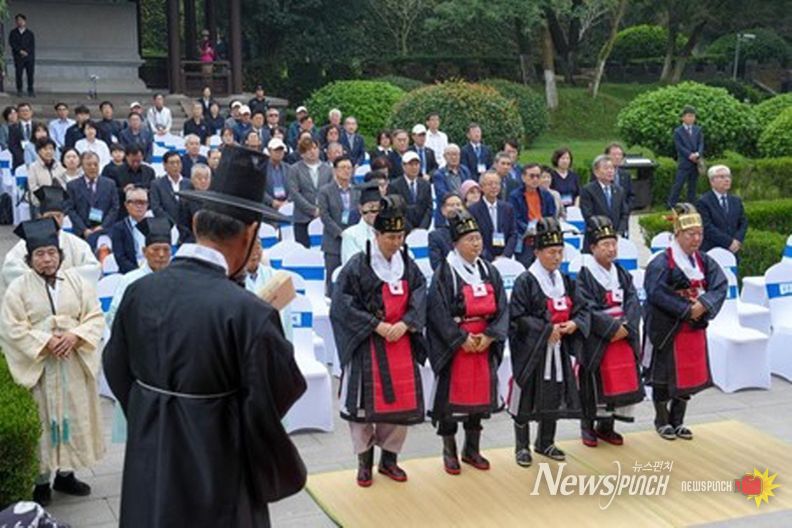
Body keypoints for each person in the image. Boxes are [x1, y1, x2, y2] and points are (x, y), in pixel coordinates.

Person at [104, 145, 307, 527]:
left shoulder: (140, 291)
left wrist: (157, 413)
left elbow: (116, 369)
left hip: (151, 461)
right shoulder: (249, 312)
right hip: (218, 467)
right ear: (250, 233)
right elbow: (277, 390)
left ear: (196, 224)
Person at [0, 218, 105, 506]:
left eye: (52, 253)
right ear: (29, 258)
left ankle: (66, 474)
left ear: (60, 254)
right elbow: (11, 328)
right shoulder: (18, 288)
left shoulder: (76, 282)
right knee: (44, 422)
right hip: (42, 368)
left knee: (72, 415)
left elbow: (94, 316)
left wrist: (76, 335)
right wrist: (44, 341)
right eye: (40, 254)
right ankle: (41, 481)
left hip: (71, 362)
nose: (47, 260)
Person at [331, 195, 427, 487]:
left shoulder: (408, 265)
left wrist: (407, 323)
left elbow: (421, 293)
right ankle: (364, 462)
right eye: (390, 236)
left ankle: (389, 460)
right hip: (368, 344)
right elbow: (342, 305)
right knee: (361, 408)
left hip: (400, 342)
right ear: (376, 234)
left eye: (400, 236)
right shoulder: (358, 265)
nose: (396, 242)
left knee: (400, 406)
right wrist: (376, 325)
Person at [427, 210, 508, 474]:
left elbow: (502, 308)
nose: (476, 243)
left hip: (483, 343)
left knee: (479, 399)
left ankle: (472, 449)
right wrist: (459, 338)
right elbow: (437, 311)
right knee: (451, 402)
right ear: (455, 243)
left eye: (478, 238)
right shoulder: (445, 272)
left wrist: (490, 335)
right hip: (458, 345)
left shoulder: (488, 269)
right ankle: (449, 451)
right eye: (470, 239)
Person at [508, 217, 589, 466]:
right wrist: (545, 330)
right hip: (532, 350)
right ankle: (521, 446)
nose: (557, 257)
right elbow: (518, 317)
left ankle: (546, 441)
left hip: (558, 348)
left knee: (553, 393)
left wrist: (574, 324)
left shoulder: (565, 280)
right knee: (525, 396)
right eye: (552, 252)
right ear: (537, 252)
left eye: (560, 252)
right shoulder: (526, 281)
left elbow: (583, 308)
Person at [643, 203, 727, 441]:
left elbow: (721, 285)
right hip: (668, 326)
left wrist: (704, 305)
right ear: (677, 234)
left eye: (699, 234)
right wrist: (686, 309)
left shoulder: (703, 261)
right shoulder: (662, 262)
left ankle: (678, 420)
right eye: (691, 234)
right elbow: (655, 292)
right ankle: (661, 419)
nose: (696, 239)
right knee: (663, 375)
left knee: (689, 374)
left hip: (693, 326)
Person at [576, 216, 644, 448]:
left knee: (619, 382)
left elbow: (633, 300)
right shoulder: (584, 275)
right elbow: (586, 308)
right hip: (600, 337)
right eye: (604, 245)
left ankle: (608, 426)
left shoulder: (622, 273)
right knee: (594, 383)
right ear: (592, 248)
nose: (610, 249)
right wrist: (611, 328)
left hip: (622, 333)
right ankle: (588, 426)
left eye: (613, 243)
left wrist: (627, 326)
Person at [2, 186, 100, 287]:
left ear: (63, 217)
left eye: (58, 216)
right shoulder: (26, 243)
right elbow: (9, 270)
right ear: (40, 217)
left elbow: (93, 268)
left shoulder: (76, 244)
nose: (54, 221)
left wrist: (62, 277)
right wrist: (38, 277)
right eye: (49, 217)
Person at [106, 216, 173, 327]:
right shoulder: (131, 280)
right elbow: (113, 317)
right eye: (156, 249)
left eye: (166, 249)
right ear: (145, 251)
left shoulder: (178, 279)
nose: (161, 255)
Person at [318, 156, 360, 294]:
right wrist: (341, 233)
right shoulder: (325, 191)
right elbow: (325, 216)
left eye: (349, 168)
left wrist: (352, 234)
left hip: (353, 240)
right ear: (335, 170)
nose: (347, 171)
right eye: (343, 167)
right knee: (332, 277)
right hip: (333, 241)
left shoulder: (357, 191)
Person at [65, 152, 119, 248]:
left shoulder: (109, 184)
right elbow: (70, 209)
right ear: (82, 166)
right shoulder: (72, 186)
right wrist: (84, 229)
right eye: (89, 165)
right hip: (81, 233)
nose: (93, 167)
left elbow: (114, 207)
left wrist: (102, 227)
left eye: (95, 164)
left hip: (105, 232)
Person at [243, 238, 293, 343]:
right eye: (250, 249)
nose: (255, 253)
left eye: (258, 248)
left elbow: (286, 318)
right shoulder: (231, 278)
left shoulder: (276, 276)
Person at [287, 137, 333, 247]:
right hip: (302, 218)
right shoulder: (295, 169)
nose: (312, 152)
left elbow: (331, 191)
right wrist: (312, 210)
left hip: (324, 217)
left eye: (314, 148)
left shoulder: (327, 169)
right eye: (307, 150)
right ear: (302, 153)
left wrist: (323, 209)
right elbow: (295, 193)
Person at [509, 163, 557, 267]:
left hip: (543, 238)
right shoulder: (515, 196)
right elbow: (515, 218)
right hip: (524, 239)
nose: (535, 179)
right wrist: (529, 230)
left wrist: (542, 228)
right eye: (531, 176)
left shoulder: (547, 195)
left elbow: (551, 215)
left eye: (538, 176)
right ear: (523, 177)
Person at [579, 155, 629, 251]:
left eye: (612, 168)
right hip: (595, 239)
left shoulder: (619, 190)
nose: (610, 171)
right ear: (596, 172)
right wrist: (604, 233)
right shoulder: (588, 190)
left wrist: (619, 231)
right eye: (606, 168)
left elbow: (624, 213)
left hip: (615, 238)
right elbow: (588, 215)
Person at [697, 164, 747, 254]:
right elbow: (707, 226)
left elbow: (743, 222)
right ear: (712, 181)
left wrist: (737, 241)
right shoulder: (703, 201)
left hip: (733, 250)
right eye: (722, 177)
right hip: (712, 250)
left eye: (728, 176)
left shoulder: (736, 201)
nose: (727, 180)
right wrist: (728, 242)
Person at [469, 171, 518, 262]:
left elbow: (513, 233)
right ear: (482, 187)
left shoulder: (507, 208)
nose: (494, 187)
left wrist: (505, 255)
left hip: (505, 257)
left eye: (497, 183)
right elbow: (474, 236)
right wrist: (489, 258)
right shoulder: (473, 210)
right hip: (483, 258)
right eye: (490, 184)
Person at [668, 106, 704, 209]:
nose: (691, 118)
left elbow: (701, 143)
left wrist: (698, 154)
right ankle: (671, 205)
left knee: (692, 186)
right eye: (689, 116)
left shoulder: (698, 129)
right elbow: (679, 147)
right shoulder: (678, 131)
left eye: (693, 116)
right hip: (684, 162)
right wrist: (689, 155)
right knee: (678, 184)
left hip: (695, 162)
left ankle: (691, 205)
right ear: (683, 118)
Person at [109, 188, 151, 274]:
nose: (140, 206)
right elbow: (120, 258)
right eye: (136, 202)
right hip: (130, 273)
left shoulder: (153, 225)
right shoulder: (119, 228)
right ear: (126, 205)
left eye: (143, 202)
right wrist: (138, 272)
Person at [388, 151, 432, 233]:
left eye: (416, 164)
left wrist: (422, 228)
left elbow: (429, 208)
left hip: (422, 229)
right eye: (411, 164)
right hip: (403, 230)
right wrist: (409, 229)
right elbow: (395, 210)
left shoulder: (425, 184)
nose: (414, 167)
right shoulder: (394, 185)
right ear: (403, 166)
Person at [150, 151, 194, 232]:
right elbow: (156, 207)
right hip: (166, 227)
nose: (175, 166)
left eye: (178, 162)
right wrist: (172, 224)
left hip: (187, 228)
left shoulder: (189, 183)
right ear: (165, 165)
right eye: (172, 163)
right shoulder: (156, 184)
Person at [432, 144, 473, 226]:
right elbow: (442, 194)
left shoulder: (465, 170)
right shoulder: (438, 174)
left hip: (464, 214)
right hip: (446, 216)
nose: (454, 157)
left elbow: (469, 189)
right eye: (450, 154)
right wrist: (458, 199)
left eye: (456, 154)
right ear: (444, 156)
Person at [341, 181, 381, 265]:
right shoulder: (350, 234)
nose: (374, 213)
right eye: (370, 207)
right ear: (360, 209)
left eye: (378, 208)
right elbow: (351, 265)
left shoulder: (387, 232)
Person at [429, 193, 464, 271]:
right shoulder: (435, 236)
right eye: (451, 205)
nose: (455, 208)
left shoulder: (471, 232)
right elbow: (436, 265)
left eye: (458, 204)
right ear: (443, 210)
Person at [28, 139, 67, 210]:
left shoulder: (59, 165)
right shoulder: (33, 167)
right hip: (41, 205)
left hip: (60, 204)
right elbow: (33, 187)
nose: (49, 151)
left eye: (51, 149)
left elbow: (65, 183)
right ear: (39, 151)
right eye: (45, 149)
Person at [9, 13, 35, 96]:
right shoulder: (13, 32)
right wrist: (20, 51)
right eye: (18, 20)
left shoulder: (30, 33)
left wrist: (26, 52)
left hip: (29, 57)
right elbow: (12, 43)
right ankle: (19, 89)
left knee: (30, 73)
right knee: (19, 73)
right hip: (18, 56)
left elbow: (32, 45)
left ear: (25, 21)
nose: (19, 22)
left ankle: (30, 89)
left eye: (21, 20)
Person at [604, 143, 635, 212]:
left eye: (620, 154)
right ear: (606, 156)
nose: (617, 157)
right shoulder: (600, 174)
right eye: (614, 154)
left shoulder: (626, 175)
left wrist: (627, 208)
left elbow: (631, 195)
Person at [9, 102, 39, 169]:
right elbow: (12, 145)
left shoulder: (38, 126)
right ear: (18, 113)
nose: (25, 113)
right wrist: (23, 159)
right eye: (22, 111)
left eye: (26, 110)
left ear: (31, 112)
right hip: (19, 160)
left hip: (36, 158)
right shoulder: (13, 128)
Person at [263, 138, 290, 209]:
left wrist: (288, 201)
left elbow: (294, 188)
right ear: (269, 151)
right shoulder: (262, 168)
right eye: (276, 150)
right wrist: (272, 202)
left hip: (287, 206)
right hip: (268, 208)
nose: (279, 153)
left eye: (281, 150)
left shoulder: (288, 168)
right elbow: (258, 190)